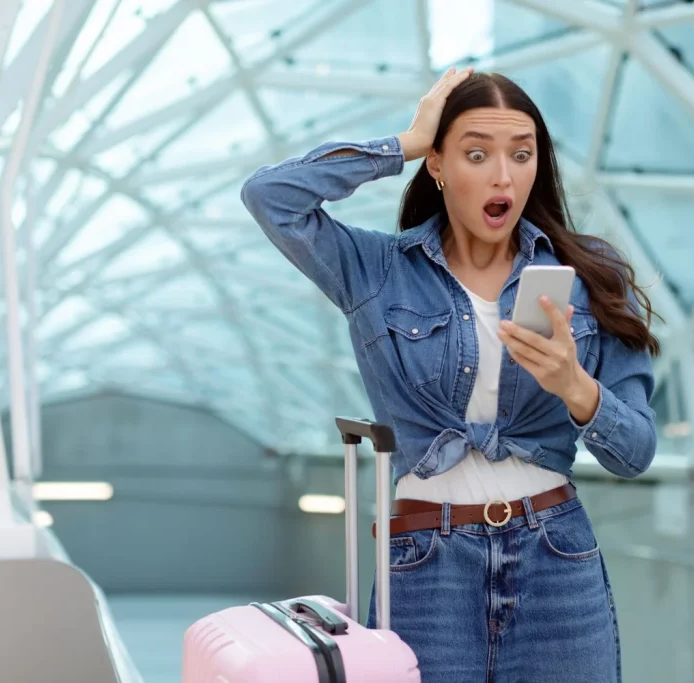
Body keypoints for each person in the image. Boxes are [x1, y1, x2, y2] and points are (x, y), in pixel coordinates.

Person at [242, 66, 660, 683]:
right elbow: (270, 197)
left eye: (522, 155)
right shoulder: (378, 269)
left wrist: (578, 389)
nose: (503, 175)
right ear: (438, 167)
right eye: (475, 153)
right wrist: (406, 143)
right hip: (425, 564)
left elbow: (636, 452)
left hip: (556, 554)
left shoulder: (591, 273)